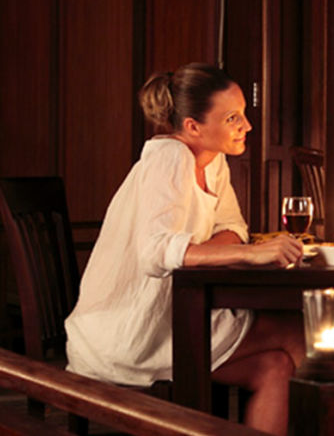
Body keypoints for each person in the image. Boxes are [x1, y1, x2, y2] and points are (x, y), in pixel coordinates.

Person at [64, 63, 306, 435]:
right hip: (128, 331)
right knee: (300, 334)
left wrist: (201, 250)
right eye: (232, 118)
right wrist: (248, 253)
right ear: (193, 126)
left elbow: (234, 229)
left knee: (276, 367)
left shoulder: (214, 160)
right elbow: (155, 253)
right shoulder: (168, 157)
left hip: (173, 317)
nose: (247, 126)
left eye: (243, 114)